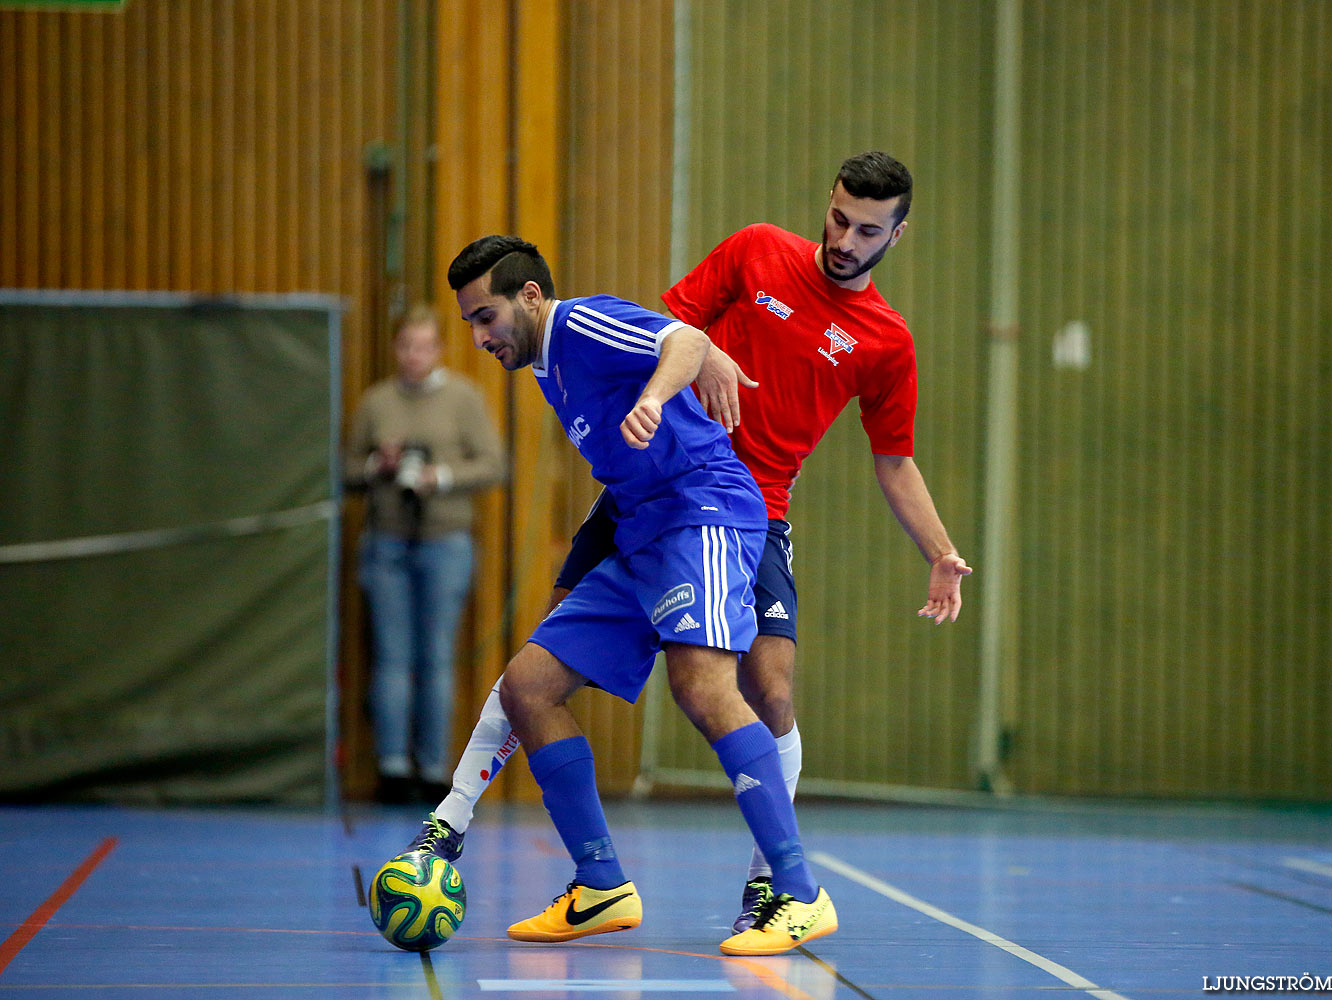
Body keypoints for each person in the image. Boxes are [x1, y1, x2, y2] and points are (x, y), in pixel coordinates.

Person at [406, 151, 971, 931]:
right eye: (838, 216)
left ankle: (782, 889)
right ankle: (474, 836)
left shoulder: (885, 340)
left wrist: (939, 550)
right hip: (646, 492)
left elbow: (895, 460)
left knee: (754, 691)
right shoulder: (755, 252)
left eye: (866, 229)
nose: (844, 238)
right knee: (533, 677)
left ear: (897, 235)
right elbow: (669, 325)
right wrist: (697, 359)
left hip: (731, 504)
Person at [419, 234, 837, 956]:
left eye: (484, 317)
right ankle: (601, 883)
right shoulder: (546, 367)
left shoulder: (577, 323)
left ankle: (799, 892)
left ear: (530, 297)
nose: (480, 336)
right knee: (529, 686)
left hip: (701, 508)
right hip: (641, 531)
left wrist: (653, 397)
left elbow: (684, 340)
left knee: (704, 684)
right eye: (468, 323)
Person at [345, 304, 505, 805]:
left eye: (424, 346)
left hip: (446, 541)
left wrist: (442, 476)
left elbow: (495, 464)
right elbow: (347, 469)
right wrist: (379, 463)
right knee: (391, 658)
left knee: (437, 657)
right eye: (405, 345)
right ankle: (393, 767)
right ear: (395, 349)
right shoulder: (376, 402)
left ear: (438, 349)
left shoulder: (463, 398)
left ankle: (434, 769)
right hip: (387, 540)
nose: (414, 356)